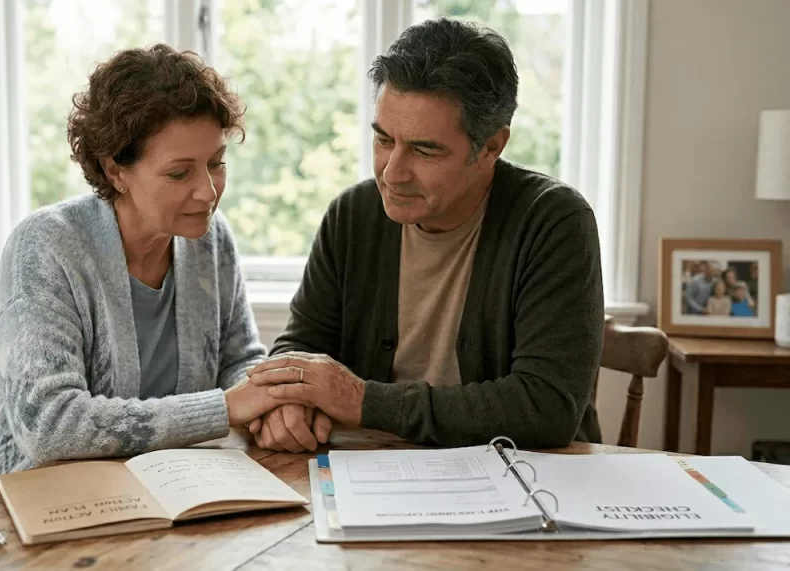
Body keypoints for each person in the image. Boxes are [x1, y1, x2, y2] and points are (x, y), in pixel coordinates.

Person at [0, 44, 298, 495]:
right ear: (116, 171)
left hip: (155, 497)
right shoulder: (46, 246)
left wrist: (273, 404)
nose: (208, 192)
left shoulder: (210, 238)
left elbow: (239, 359)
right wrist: (226, 408)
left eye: (216, 163)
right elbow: (50, 426)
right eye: (179, 174)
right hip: (17, 505)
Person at [245, 18, 605, 451]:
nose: (392, 173)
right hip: (372, 474)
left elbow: (546, 407)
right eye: (383, 140)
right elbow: (301, 345)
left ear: (491, 146)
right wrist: (289, 402)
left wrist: (362, 401)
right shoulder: (352, 215)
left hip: (526, 482)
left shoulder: (554, 221)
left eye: (423, 150)